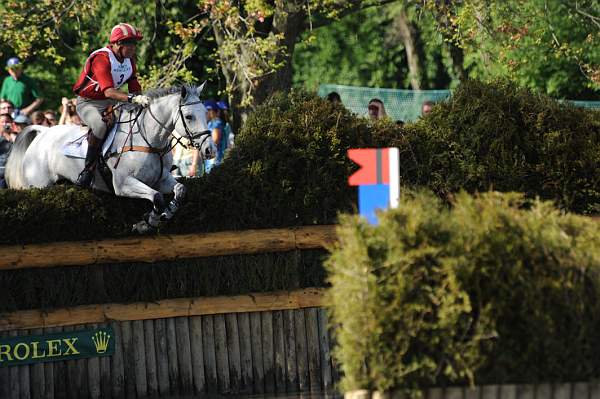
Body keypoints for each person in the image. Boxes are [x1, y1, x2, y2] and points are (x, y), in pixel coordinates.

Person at [72, 22, 150, 188]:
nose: (134, 47)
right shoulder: (101, 59)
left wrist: (141, 101)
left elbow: (134, 87)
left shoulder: (130, 60)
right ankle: (88, 169)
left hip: (111, 101)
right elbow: (108, 91)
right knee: (100, 126)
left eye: (135, 43)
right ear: (117, 44)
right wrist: (132, 99)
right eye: (130, 43)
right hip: (88, 102)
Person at [191, 99, 224, 175]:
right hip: (210, 160)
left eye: (205, 112)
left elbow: (215, 140)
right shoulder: (210, 123)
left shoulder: (216, 123)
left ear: (211, 111)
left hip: (216, 160)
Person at [0, 114, 13, 188]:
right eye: (2, 122)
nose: (5, 124)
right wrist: (3, 134)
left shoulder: (16, 136)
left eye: (7, 122)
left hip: (12, 174)